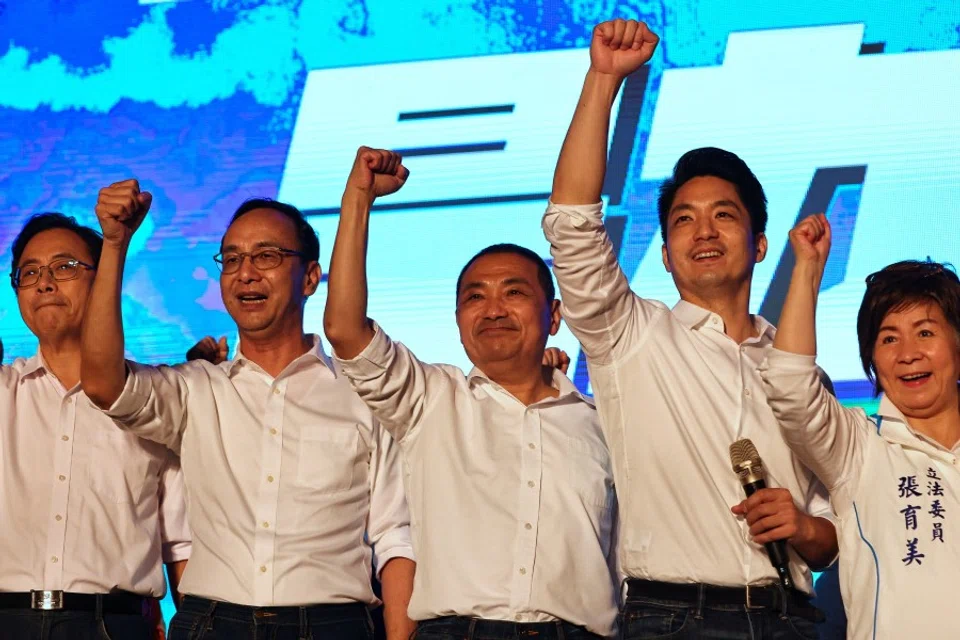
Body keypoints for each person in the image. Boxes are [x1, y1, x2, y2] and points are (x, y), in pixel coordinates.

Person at [542, 19, 839, 638]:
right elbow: (572, 224)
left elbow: (835, 528)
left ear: (758, 245)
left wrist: (806, 527)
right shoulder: (631, 335)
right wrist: (603, 81)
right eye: (684, 220)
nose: (704, 231)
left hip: (789, 618)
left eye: (723, 216)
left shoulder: (798, 370)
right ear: (668, 255)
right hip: (671, 616)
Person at [79, 181, 416, 640]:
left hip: (331, 624)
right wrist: (115, 244)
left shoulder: (362, 393)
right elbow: (103, 383)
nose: (245, 273)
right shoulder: (196, 390)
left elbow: (396, 536)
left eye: (266, 257)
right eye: (232, 259)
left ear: (312, 277)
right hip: (215, 623)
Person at [324, 147, 619, 639]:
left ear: (553, 317)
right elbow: (345, 329)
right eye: (475, 296)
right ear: (459, 322)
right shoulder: (431, 399)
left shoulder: (603, 423)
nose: (494, 309)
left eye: (514, 292)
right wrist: (359, 199)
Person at [758, 214, 960, 639]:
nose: (907, 354)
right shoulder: (860, 448)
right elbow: (791, 388)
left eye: (925, 333)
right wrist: (808, 271)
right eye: (888, 339)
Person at [0, 213, 190, 640]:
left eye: (64, 267)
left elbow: (179, 545)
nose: (45, 283)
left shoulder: (153, 400)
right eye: (30, 273)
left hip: (113, 624)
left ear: (103, 280)